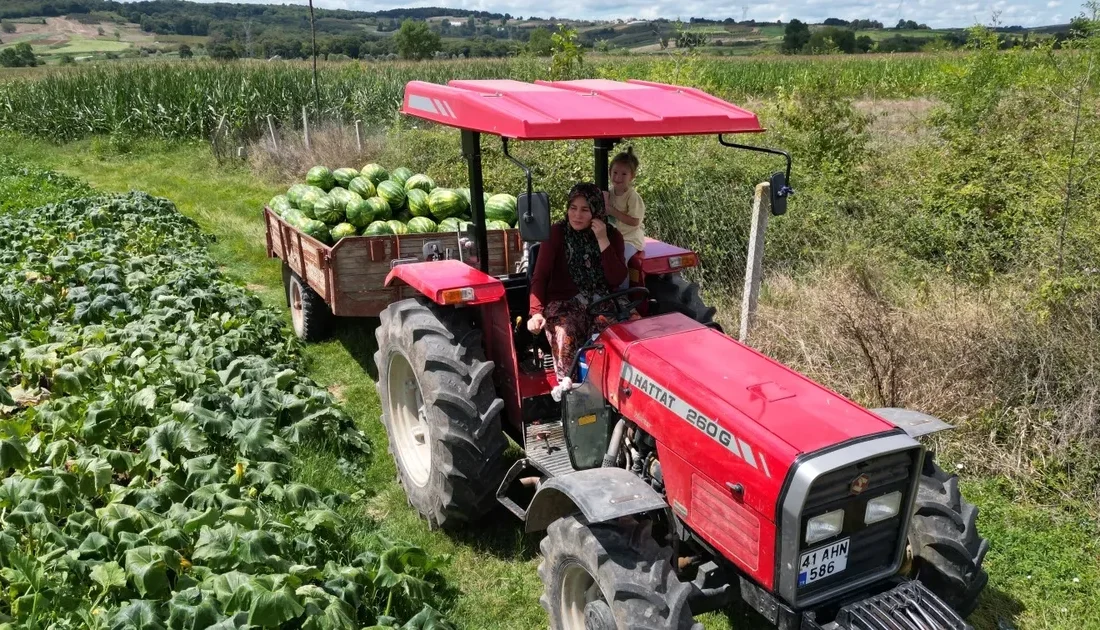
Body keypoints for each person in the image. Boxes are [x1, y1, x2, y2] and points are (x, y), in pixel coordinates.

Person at [528, 183, 634, 401]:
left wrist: (602, 240)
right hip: (565, 302)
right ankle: (572, 394)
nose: (577, 215)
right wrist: (536, 312)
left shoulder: (613, 236)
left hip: (603, 299)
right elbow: (540, 276)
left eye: (585, 210)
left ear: (596, 212)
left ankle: (618, 389)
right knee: (566, 332)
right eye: (573, 208)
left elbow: (616, 278)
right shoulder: (556, 234)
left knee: (621, 333)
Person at [605, 147, 646, 288]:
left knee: (621, 260)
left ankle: (623, 294)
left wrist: (612, 210)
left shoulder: (632, 197)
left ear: (632, 176)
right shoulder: (609, 193)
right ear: (610, 172)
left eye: (624, 174)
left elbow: (635, 221)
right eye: (615, 172)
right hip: (614, 236)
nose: (618, 177)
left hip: (630, 239)